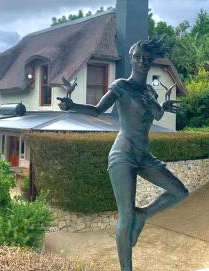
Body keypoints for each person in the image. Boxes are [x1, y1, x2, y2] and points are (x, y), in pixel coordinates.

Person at [58, 38, 189, 271]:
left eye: (147, 59)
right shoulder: (121, 85)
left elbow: (156, 115)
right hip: (123, 155)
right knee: (126, 215)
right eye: (138, 57)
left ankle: (144, 215)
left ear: (151, 62)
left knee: (180, 192)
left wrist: (165, 107)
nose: (142, 61)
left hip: (143, 155)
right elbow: (98, 109)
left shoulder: (149, 91)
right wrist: (72, 105)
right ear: (131, 58)